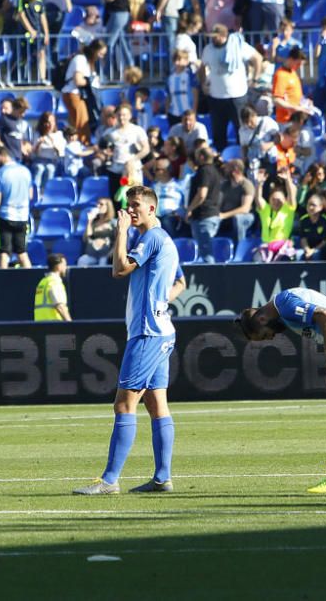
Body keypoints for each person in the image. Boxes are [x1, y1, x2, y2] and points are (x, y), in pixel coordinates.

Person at [74, 186, 186, 495]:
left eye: (136, 205)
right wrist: (162, 301)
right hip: (161, 328)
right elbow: (181, 280)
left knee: (124, 404)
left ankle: (109, 480)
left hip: (148, 332)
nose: (131, 210)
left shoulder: (150, 238)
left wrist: (121, 231)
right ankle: (163, 478)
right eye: (128, 205)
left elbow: (119, 269)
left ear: (152, 209)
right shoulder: (165, 240)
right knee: (156, 403)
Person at [236, 287, 326, 493]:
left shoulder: (286, 305)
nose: (271, 338)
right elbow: (324, 324)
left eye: (265, 336)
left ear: (262, 320)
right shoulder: (284, 309)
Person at [199, 24, 263, 151]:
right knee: (218, 133)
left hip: (237, 96)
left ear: (223, 36)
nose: (213, 39)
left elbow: (258, 58)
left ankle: (243, 157)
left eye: (215, 37)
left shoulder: (238, 46)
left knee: (241, 130)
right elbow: (202, 67)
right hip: (216, 97)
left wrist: (255, 78)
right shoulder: (208, 49)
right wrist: (203, 83)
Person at [0, 145, 33, 269]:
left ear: (0, 157)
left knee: (4, 253)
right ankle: (32, 281)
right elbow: (30, 195)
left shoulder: (0, 173)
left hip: (5, 216)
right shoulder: (26, 171)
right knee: (22, 253)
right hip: (23, 217)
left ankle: (3, 286)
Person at [103, 103, 150, 201]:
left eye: (124, 114)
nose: (121, 117)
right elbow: (102, 148)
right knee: (117, 200)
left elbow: (146, 149)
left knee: (134, 200)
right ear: (115, 116)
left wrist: (133, 160)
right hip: (115, 170)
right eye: (119, 115)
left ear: (130, 115)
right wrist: (105, 153)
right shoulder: (109, 132)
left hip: (132, 171)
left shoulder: (137, 130)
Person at [61, 39, 107, 139]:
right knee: (82, 123)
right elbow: (78, 80)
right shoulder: (80, 59)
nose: (101, 57)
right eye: (100, 53)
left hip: (79, 95)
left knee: (75, 122)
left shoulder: (89, 62)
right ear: (94, 50)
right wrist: (91, 82)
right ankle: (84, 144)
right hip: (73, 94)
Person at [185, 146, 223, 263]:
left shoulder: (204, 171)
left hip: (204, 216)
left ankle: (211, 280)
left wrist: (190, 209)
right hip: (211, 214)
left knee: (206, 254)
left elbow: (202, 194)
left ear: (201, 157)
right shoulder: (215, 170)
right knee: (205, 251)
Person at [251, 168, 297, 261]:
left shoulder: (288, 210)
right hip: (266, 247)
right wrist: (259, 184)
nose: (276, 202)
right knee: (257, 259)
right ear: (269, 200)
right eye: (273, 199)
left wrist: (288, 180)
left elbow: (291, 194)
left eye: (279, 200)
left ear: (285, 201)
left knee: (285, 260)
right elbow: (258, 198)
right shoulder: (265, 210)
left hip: (282, 248)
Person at [103, 0, 134, 73]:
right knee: (123, 43)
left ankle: (106, 72)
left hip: (120, 14)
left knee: (108, 43)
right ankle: (131, 67)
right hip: (114, 14)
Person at [218, 158, 255, 244]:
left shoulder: (246, 185)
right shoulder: (224, 185)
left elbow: (245, 208)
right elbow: (218, 203)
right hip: (226, 215)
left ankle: (239, 246)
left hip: (246, 216)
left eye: (228, 168)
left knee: (238, 219)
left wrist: (224, 215)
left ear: (236, 170)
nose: (225, 170)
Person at [272, 46, 311, 125]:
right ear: (290, 59)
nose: (299, 66)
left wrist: (305, 102)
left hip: (297, 119)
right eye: (298, 63)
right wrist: (293, 108)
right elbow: (276, 100)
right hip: (286, 120)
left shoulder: (293, 73)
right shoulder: (280, 75)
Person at [30, 111, 65, 191]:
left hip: (52, 160)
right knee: (39, 168)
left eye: (51, 122)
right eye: (47, 122)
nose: (49, 125)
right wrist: (39, 144)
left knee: (50, 169)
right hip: (39, 160)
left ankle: (46, 192)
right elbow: (34, 154)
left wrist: (53, 143)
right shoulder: (37, 134)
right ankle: (36, 191)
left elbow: (61, 153)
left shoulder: (58, 134)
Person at [34, 253, 71, 321]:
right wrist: (71, 325)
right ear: (58, 266)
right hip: (53, 326)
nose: (66, 267)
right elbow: (60, 306)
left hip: (40, 326)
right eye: (65, 265)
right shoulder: (54, 282)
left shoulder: (43, 282)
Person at [299, 193, 326, 260]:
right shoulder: (303, 220)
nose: (310, 207)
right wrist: (307, 250)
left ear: (320, 207)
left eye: (313, 205)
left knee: (316, 255)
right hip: (307, 248)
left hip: (320, 248)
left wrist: (313, 250)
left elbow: (325, 241)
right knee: (298, 254)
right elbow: (303, 238)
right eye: (308, 205)